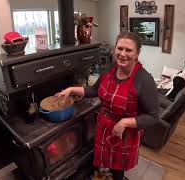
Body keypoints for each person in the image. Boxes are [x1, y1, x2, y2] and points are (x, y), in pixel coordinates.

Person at [56, 32, 159, 180]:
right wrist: (72, 90)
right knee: (104, 163)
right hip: (104, 127)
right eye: (119, 48)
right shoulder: (110, 69)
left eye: (128, 50)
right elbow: (94, 90)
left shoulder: (144, 79)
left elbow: (153, 117)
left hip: (125, 134)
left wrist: (125, 122)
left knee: (117, 168)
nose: (122, 54)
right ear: (114, 49)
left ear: (137, 53)